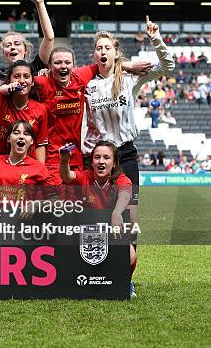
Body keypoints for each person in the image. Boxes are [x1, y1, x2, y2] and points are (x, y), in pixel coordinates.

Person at [83, 16, 174, 254]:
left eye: (107, 48)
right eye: (98, 48)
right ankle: (103, 268)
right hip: (101, 156)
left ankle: (128, 272)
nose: (102, 51)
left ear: (116, 53)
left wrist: (155, 38)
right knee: (102, 212)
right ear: (94, 55)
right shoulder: (88, 85)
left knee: (130, 212)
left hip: (125, 154)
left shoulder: (128, 78)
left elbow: (168, 67)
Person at [60, 141, 137, 298]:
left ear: (114, 163)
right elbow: (67, 176)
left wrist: (116, 212)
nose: (101, 161)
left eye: (106, 158)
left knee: (130, 256)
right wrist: (64, 160)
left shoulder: (122, 179)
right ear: (92, 161)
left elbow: (125, 195)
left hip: (111, 233)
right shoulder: (85, 177)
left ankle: (125, 282)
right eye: (97, 157)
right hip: (85, 234)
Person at [33, 47, 97, 183]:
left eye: (67, 62)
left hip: (76, 159)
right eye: (58, 62)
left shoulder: (80, 77)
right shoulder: (42, 82)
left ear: (74, 66)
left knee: (76, 203)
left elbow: (103, 65)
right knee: (55, 203)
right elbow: (21, 79)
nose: (63, 66)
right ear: (49, 66)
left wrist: (128, 64)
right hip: (52, 159)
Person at [0, 0, 55, 89]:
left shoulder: (36, 67)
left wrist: (40, 3)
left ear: (25, 50)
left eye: (17, 43)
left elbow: (49, 38)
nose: (13, 47)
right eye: (8, 45)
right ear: (3, 52)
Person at [0, 121, 55, 218]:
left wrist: (36, 204)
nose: (21, 136)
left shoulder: (39, 168)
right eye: (16, 133)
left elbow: (56, 200)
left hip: (22, 224)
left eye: (26, 134)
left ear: (32, 141)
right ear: (8, 138)